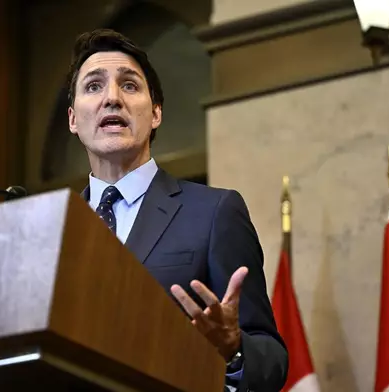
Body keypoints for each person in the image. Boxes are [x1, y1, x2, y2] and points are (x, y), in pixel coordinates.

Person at [66, 28, 288, 391]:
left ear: (155, 114)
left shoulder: (215, 212)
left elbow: (271, 361)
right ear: (74, 119)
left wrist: (233, 349)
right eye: (93, 86)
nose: (111, 98)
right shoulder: (55, 228)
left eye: (129, 85)